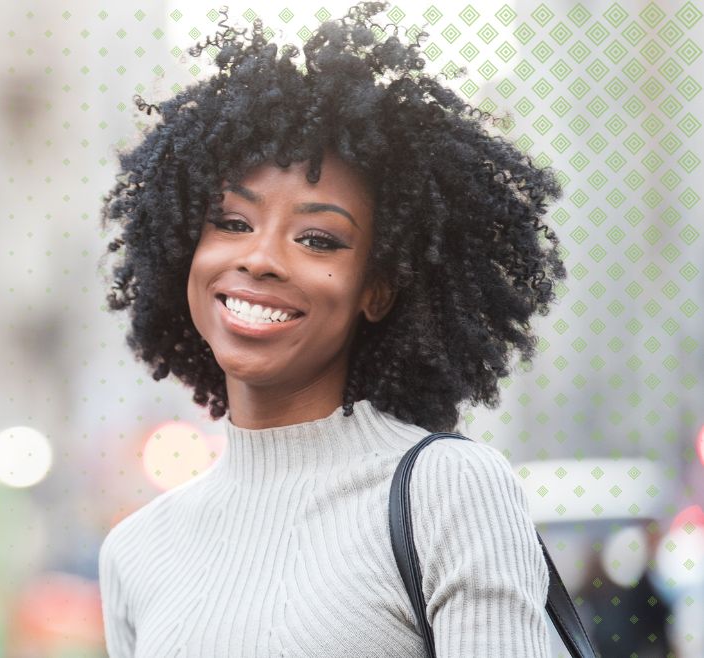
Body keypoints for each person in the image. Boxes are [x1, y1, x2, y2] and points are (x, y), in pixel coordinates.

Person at [96, 2, 567, 656]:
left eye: (318, 239)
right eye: (232, 223)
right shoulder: (135, 552)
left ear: (376, 289)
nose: (258, 258)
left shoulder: (449, 489)